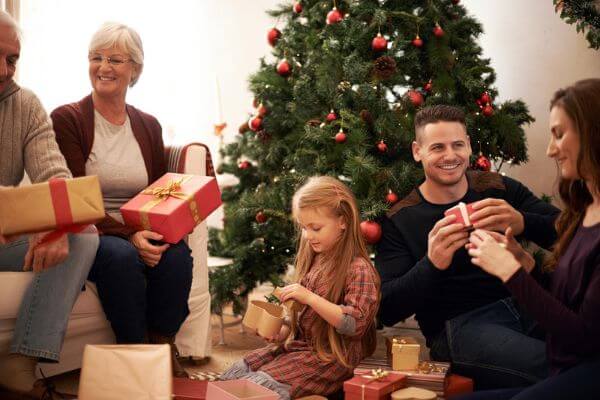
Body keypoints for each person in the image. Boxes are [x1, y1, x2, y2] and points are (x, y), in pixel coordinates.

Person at [375, 105, 560, 389]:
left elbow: (570, 233)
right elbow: (386, 308)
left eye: (457, 145)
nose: (450, 156)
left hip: (526, 303)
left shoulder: (498, 189)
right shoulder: (399, 219)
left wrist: (523, 221)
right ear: (417, 151)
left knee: (586, 354)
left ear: (469, 146)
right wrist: (432, 263)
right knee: (554, 367)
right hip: (460, 327)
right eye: (437, 147)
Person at [50, 22, 192, 377]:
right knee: (121, 257)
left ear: (135, 70)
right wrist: (131, 235)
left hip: (138, 225)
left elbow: (158, 194)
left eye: (115, 59)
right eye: (96, 58)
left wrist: (150, 230)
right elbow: (76, 199)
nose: (104, 67)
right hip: (91, 229)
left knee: (176, 255)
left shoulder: (148, 125)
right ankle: (135, 353)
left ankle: (162, 345)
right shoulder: (67, 119)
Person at [454, 79, 600, 399]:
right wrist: (527, 267)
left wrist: (512, 272)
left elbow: (584, 338)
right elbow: (567, 307)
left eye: (559, 134)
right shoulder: (582, 212)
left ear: (592, 132)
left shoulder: (507, 189)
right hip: (568, 368)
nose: (549, 149)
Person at [0, 11, 98, 399]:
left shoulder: (25, 105)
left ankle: (19, 362)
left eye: (12, 59)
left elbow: (55, 174)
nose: (6, 70)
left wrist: (59, 225)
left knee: (83, 236)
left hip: (5, 237)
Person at [221, 176, 380, 399]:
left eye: (315, 228)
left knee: (258, 387)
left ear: (343, 221)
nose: (308, 236)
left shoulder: (358, 268)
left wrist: (310, 298)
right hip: (299, 347)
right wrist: (282, 331)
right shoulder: (316, 259)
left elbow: (354, 325)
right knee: (236, 375)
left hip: (331, 358)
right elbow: (304, 322)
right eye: (304, 228)